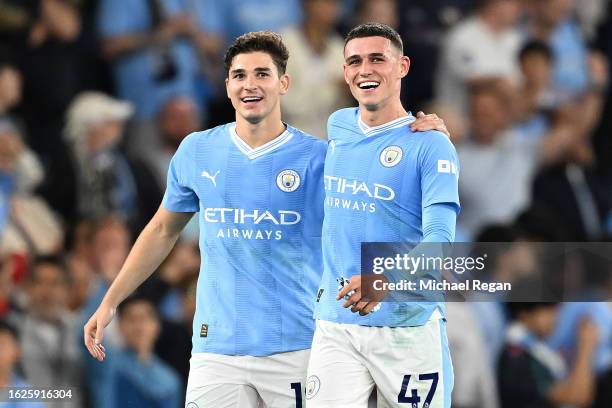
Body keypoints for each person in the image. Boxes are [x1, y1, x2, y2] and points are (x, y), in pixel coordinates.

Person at [84, 30, 448, 407]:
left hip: (297, 347)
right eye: (240, 75)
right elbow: (161, 229)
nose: (250, 85)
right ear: (227, 86)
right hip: (216, 350)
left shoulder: (322, 159)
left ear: (283, 83)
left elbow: (382, 205)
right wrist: (111, 300)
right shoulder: (197, 151)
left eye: (262, 74)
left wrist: (424, 137)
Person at [308, 23, 460, 407]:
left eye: (378, 59)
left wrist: (385, 279)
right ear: (345, 73)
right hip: (337, 322)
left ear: (403, 66)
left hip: (406, 324)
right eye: (355, 61)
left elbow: (440, 241)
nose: (365, 70)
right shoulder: (338, 126)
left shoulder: (431, 145)